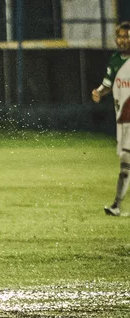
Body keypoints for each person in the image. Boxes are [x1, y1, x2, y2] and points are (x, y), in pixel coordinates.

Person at [91, 21, 130, 217]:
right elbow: (108, 84)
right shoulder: (115, 60)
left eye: (127, 36)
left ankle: (116, 205)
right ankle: (116, 206)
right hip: (123, 121)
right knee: (125, 162)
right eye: (120, 36)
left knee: (126, 161)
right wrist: (99, 92)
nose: (123, 40)